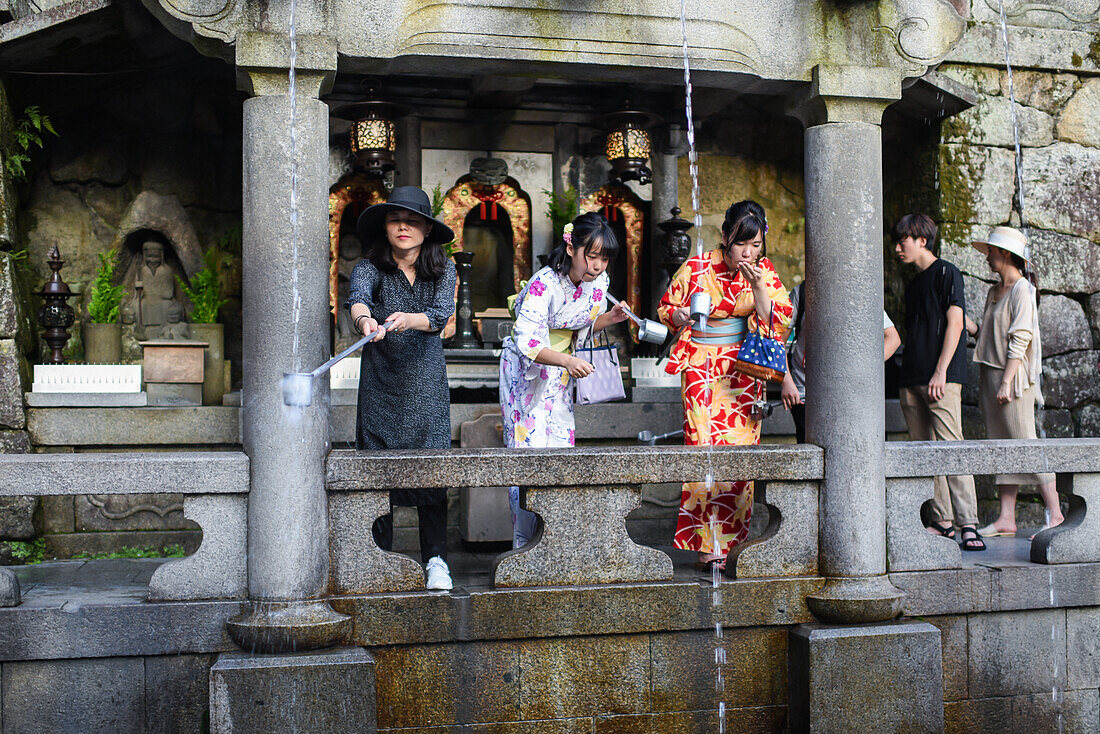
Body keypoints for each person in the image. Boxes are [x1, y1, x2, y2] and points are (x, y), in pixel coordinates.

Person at [657, 200, 792, 572]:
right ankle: (707, 544)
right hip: (701, 364)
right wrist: (681, 315)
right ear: (724, 238)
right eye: (740, 244)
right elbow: (667, 308)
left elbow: (777, 321)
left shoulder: (763, 270)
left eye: (755, 245)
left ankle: (734, 540)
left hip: (743, 370)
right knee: (703, 449)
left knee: (740, 454)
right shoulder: (698, 265)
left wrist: (758, 287)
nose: (748, 253)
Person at [345, 186, 458, 590]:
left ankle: (437, 562)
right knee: (378, 472)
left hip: (425, 383)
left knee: (431, 472)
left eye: (411, 220)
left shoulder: (444, 270)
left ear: (427, 228)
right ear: (385, 227)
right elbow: (357, 301)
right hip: (380, 385)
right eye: (395, 220)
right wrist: (366, 323)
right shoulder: (370, 268)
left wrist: (408, 320)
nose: (403, 226)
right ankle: (381, 562)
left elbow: (441, 314)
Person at [499, 212, 628, 547]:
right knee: (526, 452)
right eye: (592, 255)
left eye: (604, 258)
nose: (598, 266)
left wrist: (609, 318)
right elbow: (527, 341)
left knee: (559, 449)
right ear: (572, 247)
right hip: (525, 374)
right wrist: (566, 361)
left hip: (560, 373)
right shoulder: (545, 282)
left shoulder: (599, 283)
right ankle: (522, 542)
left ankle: (553, 541)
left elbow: (581, 326)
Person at [894, 213, 984, 551]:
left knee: (952, 448)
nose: (897, 246)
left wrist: (941, 371)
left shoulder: (947, 272)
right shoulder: (913, 283)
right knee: (925, 453)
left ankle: (968, 524)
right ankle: (943, 521)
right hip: (911, 377)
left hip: (940, 378)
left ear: (921, 239)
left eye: (903, 239)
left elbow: (956, 324)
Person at [965, 226, 1063, 539]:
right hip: (990, 374)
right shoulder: (995, 291)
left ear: (1005, 254)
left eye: (991, 252)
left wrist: (1006, 383)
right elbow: (989, 335)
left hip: (1013, 378)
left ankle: (1057, 515)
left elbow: (1020, 338)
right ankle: (1007, 517)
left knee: (1026, 443)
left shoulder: (1023, 289)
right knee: (1001, 443)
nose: (987, 258)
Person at [780, 281, 901, 443]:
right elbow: (778, 341)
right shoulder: (802, 292)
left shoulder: (860, 291)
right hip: (804, 393)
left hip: (852, 394)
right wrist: (786, 381)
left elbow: (893, 338)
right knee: (810, 447)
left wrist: (863, 369)